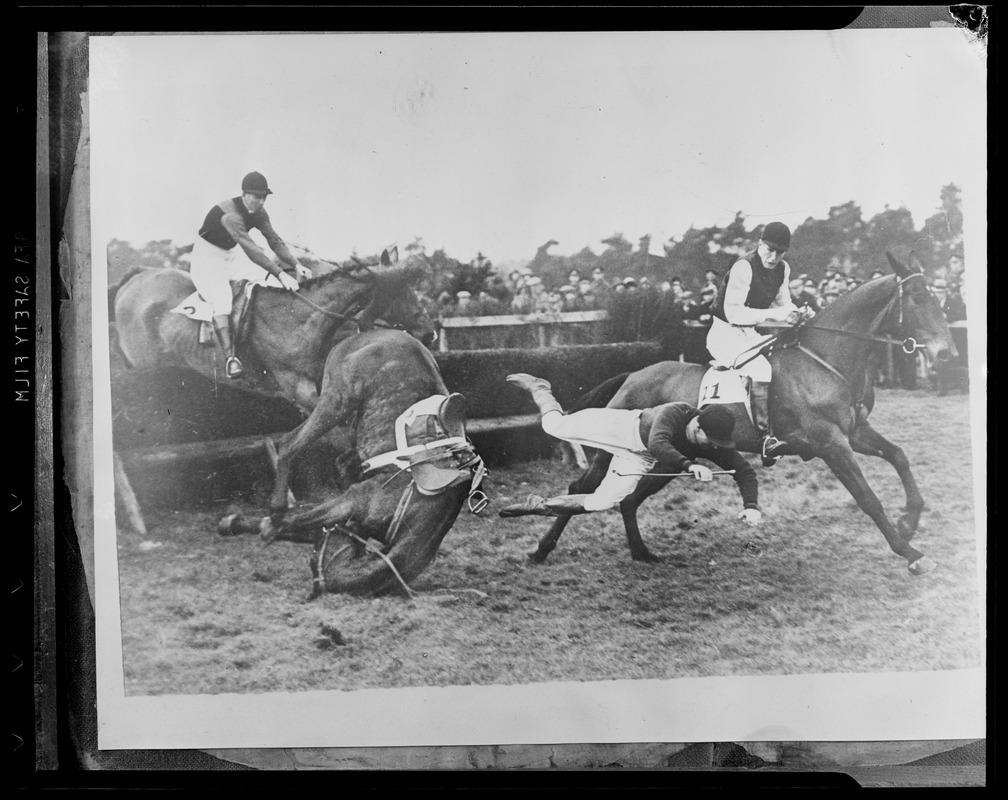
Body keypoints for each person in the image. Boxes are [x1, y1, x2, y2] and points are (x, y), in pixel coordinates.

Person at [498, 373, 761, 524]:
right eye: (710, 442)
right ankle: (540, 387)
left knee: (602, 502)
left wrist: (751, 505)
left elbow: (744, 471)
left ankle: (539, 504)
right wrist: (690, 465)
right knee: (554, 426)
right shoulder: (675, 411)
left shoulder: (711, 436)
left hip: (639, 457)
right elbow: (659, 444)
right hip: (621, 427)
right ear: (698, 426)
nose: (713, 449)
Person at [707, 221, 812, 466]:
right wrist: (775, 315)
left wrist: (798, 313)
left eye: (781, 251)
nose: (774, 257)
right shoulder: (744, 266)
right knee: (761, 369)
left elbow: (782, 304)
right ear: (759, 244)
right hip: (725, 333)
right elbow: (733, 314)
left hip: (751, 333)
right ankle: (765, 439)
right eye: (770, 249)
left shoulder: (783, 268)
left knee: (783, 360)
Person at [191, 171, 308, 379]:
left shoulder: (260, 213)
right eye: (257, 197)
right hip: (207, 256)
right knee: (223, 300)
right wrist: (281, 273)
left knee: (268, 283)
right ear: (244, 195)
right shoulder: (230, 216)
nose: (261, 202)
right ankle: (230, 358)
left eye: (264, 197)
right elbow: (252, 250)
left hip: (231, 252)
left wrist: (296, 265)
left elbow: (274, 240)